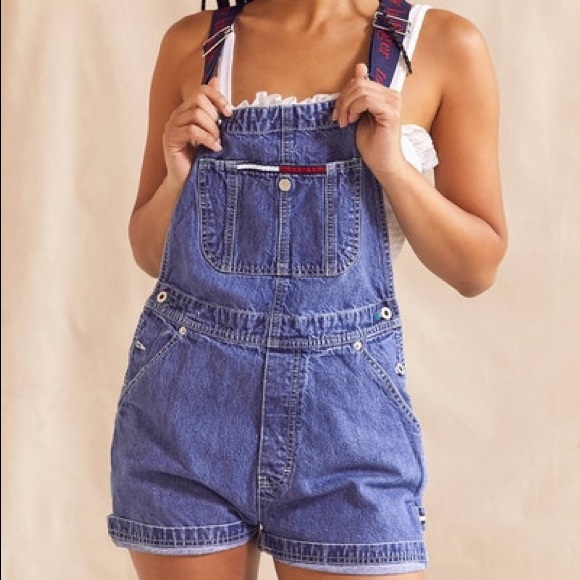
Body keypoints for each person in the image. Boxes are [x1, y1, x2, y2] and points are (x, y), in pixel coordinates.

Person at [107, 0, 507, 578]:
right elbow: (150, 255)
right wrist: (178, 176)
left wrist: (392, 167)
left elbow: (476, 268)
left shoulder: (442, 44)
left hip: (347, 428)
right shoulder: (193, 44)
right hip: (183, 418)